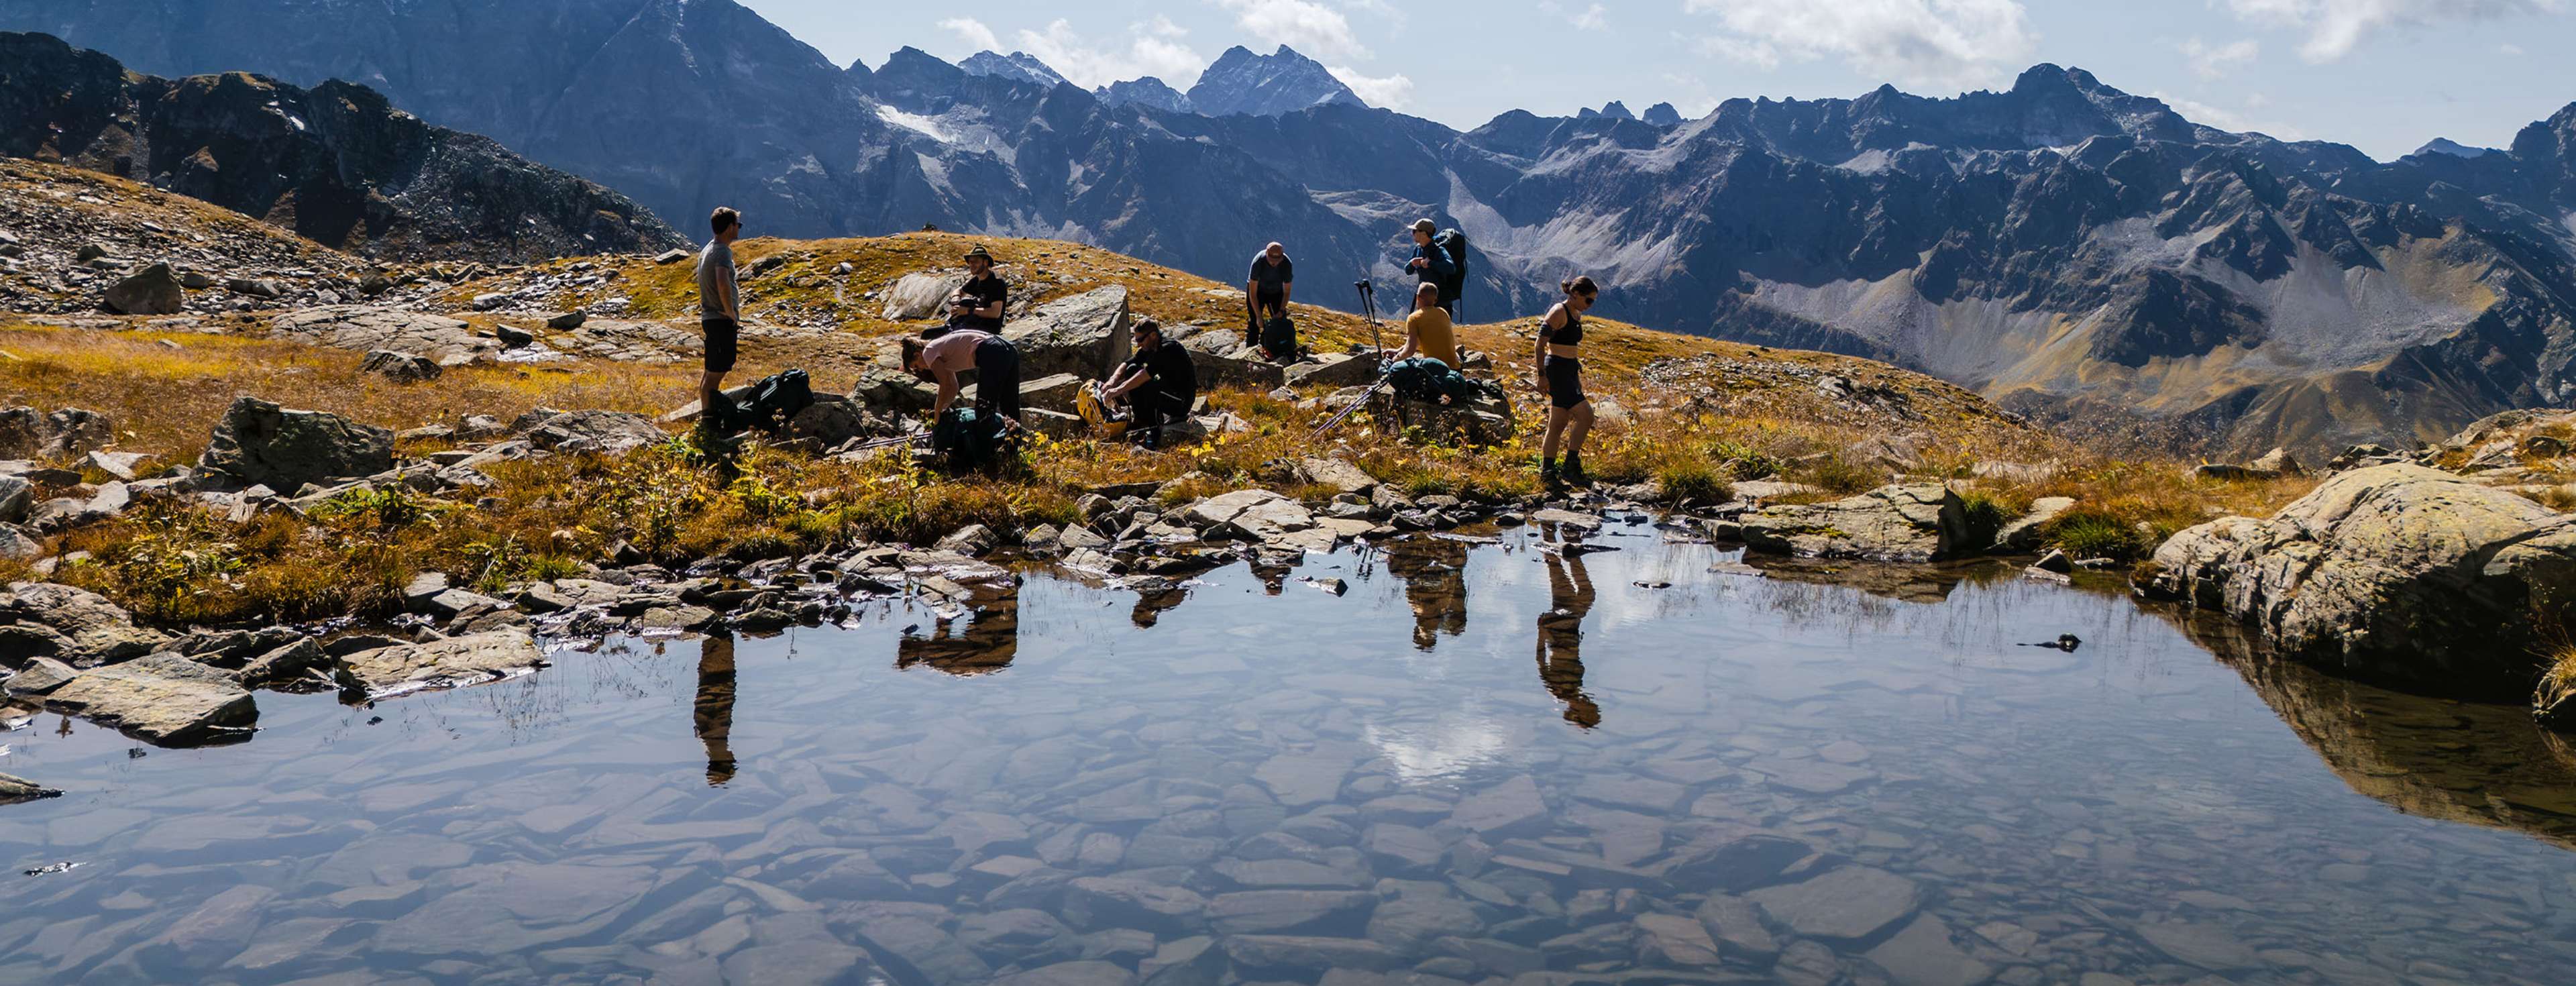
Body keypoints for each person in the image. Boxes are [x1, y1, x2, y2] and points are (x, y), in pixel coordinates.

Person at [1536, 276, 1599, 484]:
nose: (1590, 305)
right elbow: (1539, 344)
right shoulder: (1558, 312)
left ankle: (1548, 470)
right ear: (1575, 294)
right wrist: (1541, 376)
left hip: (1569, 370)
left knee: (1559, 422)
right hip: (1558, 370)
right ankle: (1570, 465)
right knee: (1586, 416)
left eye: (1593, 301)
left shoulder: (1576, 312)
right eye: (1588, 300)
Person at [1100, 319, 1197, 447]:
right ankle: (1140, 421)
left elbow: (1145, 375)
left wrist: (1118, 390)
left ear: (1153, 335)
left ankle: (1154, 432)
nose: (1138, 344)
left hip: (1181, 401)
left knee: (1148, 385)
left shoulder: (1168, 348)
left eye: (1140, 340)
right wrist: (1112, 381)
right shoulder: (1150, 347)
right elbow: (1128, 363)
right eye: (1136, 340)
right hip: (1168, 390)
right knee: (1132, 369)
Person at [902, 325, 1021, 425]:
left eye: (917, 366)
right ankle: (1014, 444)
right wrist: (944, 408)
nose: (921, 370)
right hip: (1006, 347)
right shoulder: (939, 350)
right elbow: (954, 387)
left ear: (918, 355)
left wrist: (937, 413)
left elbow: (944, 385)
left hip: (990, 351)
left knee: (984, 407)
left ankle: (985, 448)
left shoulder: (929, 352)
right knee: (1009, 401)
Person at [694, 207, 743, 427]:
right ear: (730, 227)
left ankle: (708, 416)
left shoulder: (707, 250)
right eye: (738, 225)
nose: (739, 229)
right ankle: (709, 421)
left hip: (711, 317)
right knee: (717, 371)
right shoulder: (723, 251)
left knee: (712, 370)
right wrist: (730, 311)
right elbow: (722, 280)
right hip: (720, 319)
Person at [1386, 281, 1460, 371]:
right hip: (1456, 369)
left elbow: (1410, 351)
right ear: (1435, 300)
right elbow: (1417, 342)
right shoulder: (1443, 313)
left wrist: (1394, 360)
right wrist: (1398, 351)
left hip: (1437, 370)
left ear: (1418, 297)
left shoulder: (1414, 318)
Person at [946, 245, 1008, 333]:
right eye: (970, 262)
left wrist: (967, 311)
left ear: (986, 262)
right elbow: (959, 291)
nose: (972, 265)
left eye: (976, 262)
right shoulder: (977, 279)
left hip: (988, 329)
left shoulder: (997, 282)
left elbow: (995, 313)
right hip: (974, 323)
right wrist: (956, 298)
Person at [1405, 218, 1457, 317]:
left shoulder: (1439, 250)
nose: (1413, 234)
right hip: (1423, 300)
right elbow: (1408, 271)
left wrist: (1431, 264)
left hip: (1440, 301)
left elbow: (1451, 268)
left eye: (1414, 231)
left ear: (1424, 234)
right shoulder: (1418, 249)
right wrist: (1411, 264)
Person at [1246, 241, 1293, 345]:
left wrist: (1281, 310)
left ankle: (1277, 350)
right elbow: (1253, 293)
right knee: (1254, 323)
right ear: (1267, 253)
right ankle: (1249, 353)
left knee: (1280, 322)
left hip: (1276, 292)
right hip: (1258, 292)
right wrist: (1258, 316)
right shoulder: (1258, 262)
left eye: (1277, 261)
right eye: (1272, 260)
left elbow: (1287, 291)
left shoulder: (1286, 264)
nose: (1274, 263)